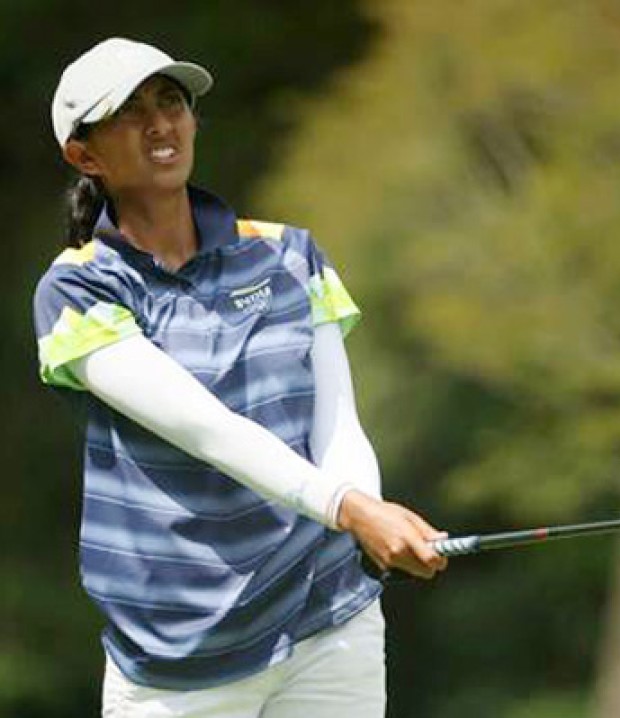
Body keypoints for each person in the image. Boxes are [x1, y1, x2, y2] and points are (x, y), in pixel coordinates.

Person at [32, 37, 447, 717]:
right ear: (85, 156)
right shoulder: (78, 289)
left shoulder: (288, 254)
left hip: (328, 619)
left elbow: (337, 424)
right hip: (179, 648)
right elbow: (206, 429)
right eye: (130, 112)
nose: (160, 124)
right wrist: (354, 510)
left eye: (171, 102)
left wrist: (366, 531)